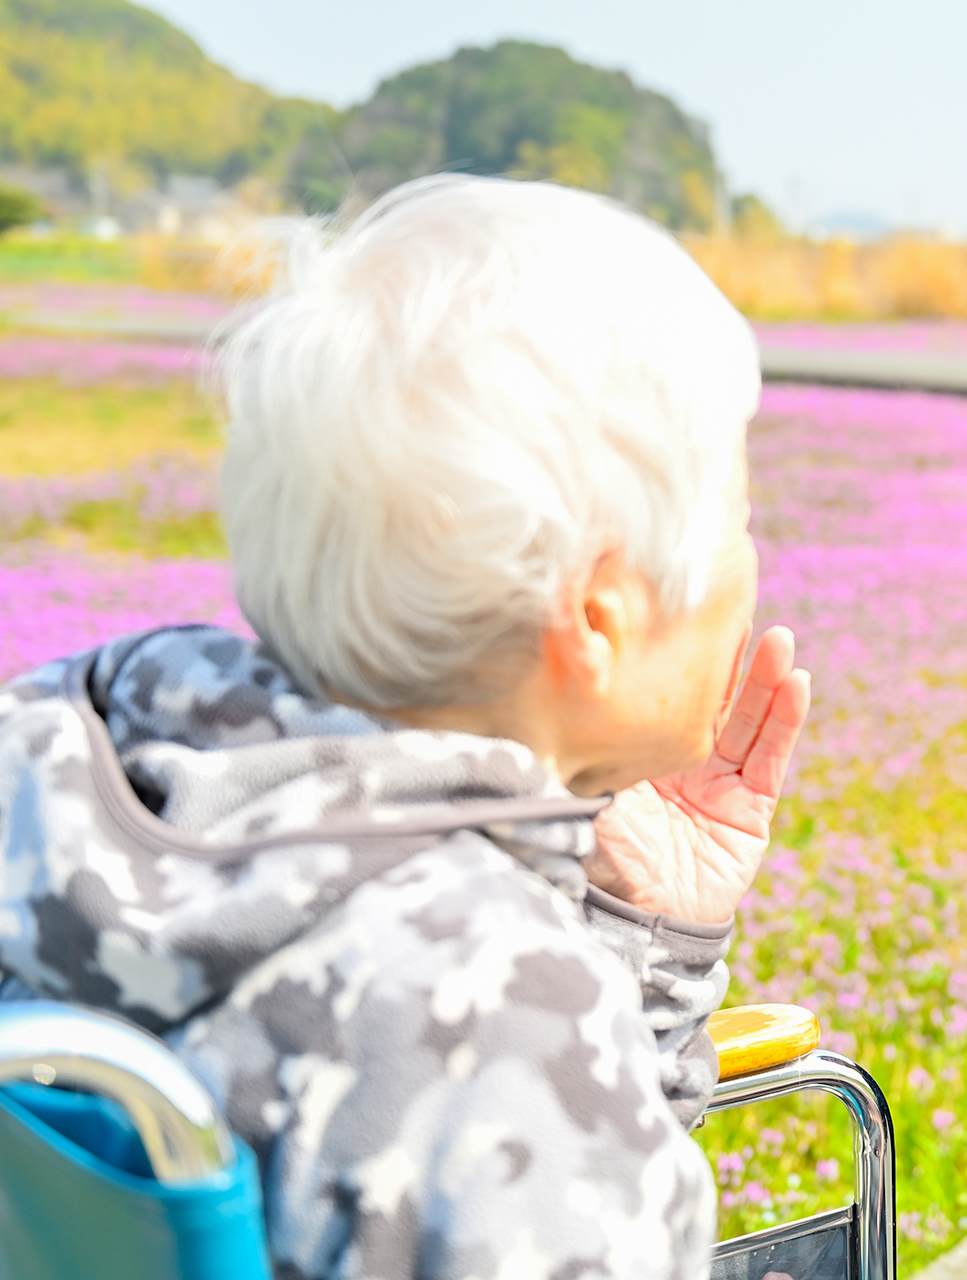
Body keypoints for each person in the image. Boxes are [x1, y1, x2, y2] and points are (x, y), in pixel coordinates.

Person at [0, 175, 809, 1279]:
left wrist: (645, 941)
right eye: (739, 522)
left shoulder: (66, 763)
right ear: (599, 615)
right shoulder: (500, 1024)